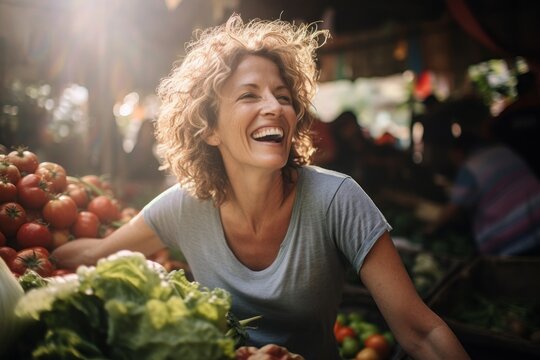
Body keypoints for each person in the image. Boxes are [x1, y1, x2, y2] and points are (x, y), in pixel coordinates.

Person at [52, 14, 469, 360]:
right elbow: (91, 256)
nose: (275, 107)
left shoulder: (336, 200)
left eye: (283, 96)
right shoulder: (185, 207)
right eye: (249, 95)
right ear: (209, 128)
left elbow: (421, 333)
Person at [427, 96, 540, 256]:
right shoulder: (502, 150)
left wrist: (430, 229)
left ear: (459, 152)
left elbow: (452, 210)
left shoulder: (470, 167)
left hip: (515, 237)